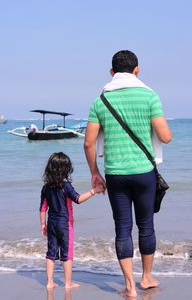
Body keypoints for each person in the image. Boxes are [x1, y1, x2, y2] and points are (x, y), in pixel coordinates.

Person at [84, 50, 172, 298]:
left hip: (115, 174)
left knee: (122, 228)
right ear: (137, 70)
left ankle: (130, 287)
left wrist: (94, 173)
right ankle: (146, 278)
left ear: (111, 73)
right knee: (146, 226)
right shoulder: (150, 97)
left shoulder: (100, 101)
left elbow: (89, 144)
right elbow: (165, 136)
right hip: (144, 172)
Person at [40, 152, 104, 289]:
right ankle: (68, 283)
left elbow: (43, 208)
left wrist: (43, 225)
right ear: (66, 170)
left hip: (51, 223)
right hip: (65, 225)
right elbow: (78, 199)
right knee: (67, 254)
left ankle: (49, 282)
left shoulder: (46, 188)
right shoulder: (66, 186)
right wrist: (94, 190)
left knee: (51, 253)